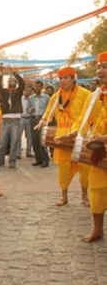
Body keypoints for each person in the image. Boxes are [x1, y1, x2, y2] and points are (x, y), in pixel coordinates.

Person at [55, 51, 107, 242]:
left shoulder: (87, 94)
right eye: (99, 66)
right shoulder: (95, 96)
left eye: (105, 66)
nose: (100, 71)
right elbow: (83, 120)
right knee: (97, 189)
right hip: (100, 152)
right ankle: (98, 229)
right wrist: (74, 132)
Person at [34, 67, 91, 207]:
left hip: (80, 136)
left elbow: (91, 114)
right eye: (60, 78)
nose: (63, 81)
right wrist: (42, 121)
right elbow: (48, 113)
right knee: (63, 170)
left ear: (73, 78)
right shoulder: (55, 97)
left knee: (85, 169)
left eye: (66, 78)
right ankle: (64, 196)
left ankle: (84, 195)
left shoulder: (85, 94)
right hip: (61, 138)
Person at [0, 66, 25, 168]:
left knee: (14, 143)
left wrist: (14, 73)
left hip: (15, 121)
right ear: (7, 83)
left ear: (15, 83)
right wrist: (0, 73)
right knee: (2, 142)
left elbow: (22, 83)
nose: (11, 81)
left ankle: (12, 162)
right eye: (9, 80)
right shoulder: (4, 92)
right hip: (5, 121)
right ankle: (0, 160)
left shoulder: (18, 92)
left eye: (13, 80)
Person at [28, 80, 50, 167]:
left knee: (42, 140)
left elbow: (49, 109)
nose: (37, 88)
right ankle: (38, 159)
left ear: (41, 87)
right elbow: (27, 109)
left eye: (39, 86)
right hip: (33, 119)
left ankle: (45, 159)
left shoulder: (46, 97)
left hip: (42, 119)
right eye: (36, 86)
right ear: (34, 86)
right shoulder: (30, 98)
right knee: (34, 140)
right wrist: (30, 110)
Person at [18, 85, 34, 158]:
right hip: (21, 118)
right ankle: (18, 153)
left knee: (29, 136)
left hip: (29, 118)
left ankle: (29, 152)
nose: (28, 92)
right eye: (27, 90)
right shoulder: (20, 98)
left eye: (30, 91)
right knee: (18, 136)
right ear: (24, 90)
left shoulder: (32, 99)